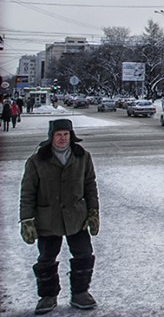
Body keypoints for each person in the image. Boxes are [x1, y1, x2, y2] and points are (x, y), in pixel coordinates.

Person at [19, 118, 100, 314]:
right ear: (51, 137)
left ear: (71, 136)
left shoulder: (82, 157)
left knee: (84, 254)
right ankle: (48, 296)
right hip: (48, 219)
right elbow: (27, 192)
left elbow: (90, 185)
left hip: (77, 217)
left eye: (66, 134)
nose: (63, 138)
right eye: (58, 135)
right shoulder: (37, 161)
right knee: (46, 257)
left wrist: (93, 212)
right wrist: (27, 220)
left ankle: (80, 293)